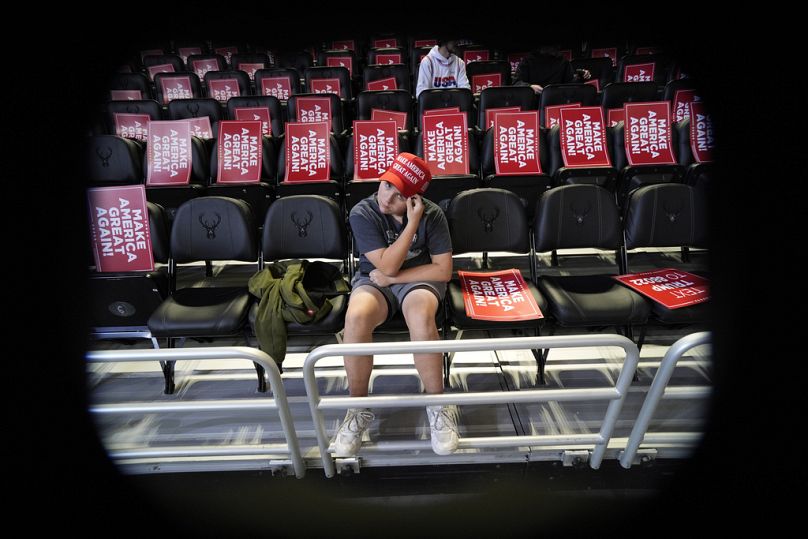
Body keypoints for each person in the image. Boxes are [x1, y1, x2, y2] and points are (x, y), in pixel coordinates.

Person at [332, 152, 459, 457]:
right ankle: (358, 408)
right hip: (374, 279)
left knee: (421, 315)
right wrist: (390, 276)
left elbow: (442, 270)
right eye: (386, 185)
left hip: (418, 279)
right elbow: (384, 268)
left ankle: (437, 405)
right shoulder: (363, 212)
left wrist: (413, 222)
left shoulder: (432, 215)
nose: (387, 198)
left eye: (399, 195)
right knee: (357, 316)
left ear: (415, 200)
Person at [514, 45, 592, 95]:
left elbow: (569, 82)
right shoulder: (528, 60)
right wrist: (530, 87)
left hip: (555, 100)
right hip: (534, 100)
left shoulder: (562, 61)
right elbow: (516, 83)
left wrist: (580, 77)